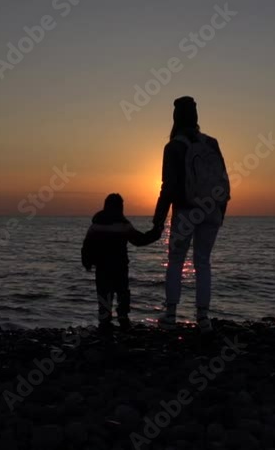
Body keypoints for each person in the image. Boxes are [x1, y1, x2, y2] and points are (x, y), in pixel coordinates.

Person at [152, 96, 230, 332]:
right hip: (212, 210)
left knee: (175, 262)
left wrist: (158, 222)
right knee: (203, 263)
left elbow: (168, 187)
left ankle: (170, 315)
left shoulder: (174, 146)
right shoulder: (211, 143)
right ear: (196, 117)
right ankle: (203, 318)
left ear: (176, 118)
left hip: (186, 210)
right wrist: (220, 211)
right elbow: (223, 179)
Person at [82, 193, 161, 332]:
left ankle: (105, 321)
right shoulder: (123, 225)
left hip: (102, 267)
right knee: (122, 293)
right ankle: (123, 318)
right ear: (120, 207)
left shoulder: (96, 225)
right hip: (120, 267)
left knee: (104, 293)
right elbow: (139, 240)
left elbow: (87, 246)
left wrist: (87, 261)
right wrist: (155, 233)